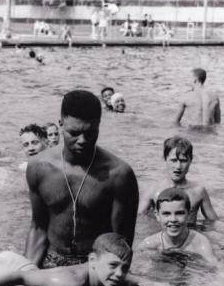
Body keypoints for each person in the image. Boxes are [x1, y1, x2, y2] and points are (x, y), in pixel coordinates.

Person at [25, 90, 139, 268]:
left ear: (99, 125)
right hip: (51, 261)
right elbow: (38, 228)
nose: (82, 140)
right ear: (61, 125)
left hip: (96, 266)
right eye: (74, 133)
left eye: (90, 133)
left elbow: (121, 244)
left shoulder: (119, 175)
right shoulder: (38, 168)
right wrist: (26, 273)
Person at [0, 233, 205, 286]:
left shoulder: (114, 273)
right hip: (20, 266)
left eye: (125, 268)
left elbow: (156, 285)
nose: (120, 274)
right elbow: (22, 276)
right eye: (114, 266)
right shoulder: (69, 282)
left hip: (33, 273)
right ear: (93, 260)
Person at [138, 136, 219, 227]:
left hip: (189, 236)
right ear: (165, 159)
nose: (178, 166)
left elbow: (213, 222)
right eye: (173, 160)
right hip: (161, 235)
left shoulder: (198, 191)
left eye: (183, 161)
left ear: (190, 161)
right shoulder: (153, 190)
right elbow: (139, 219)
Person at [136, 188, 218, 266]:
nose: (173, 219)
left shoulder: (200, 244)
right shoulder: (149, 245)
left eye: (179, 213)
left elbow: (217, 269)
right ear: (157, 215)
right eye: (166, 214)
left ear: (189, 214)